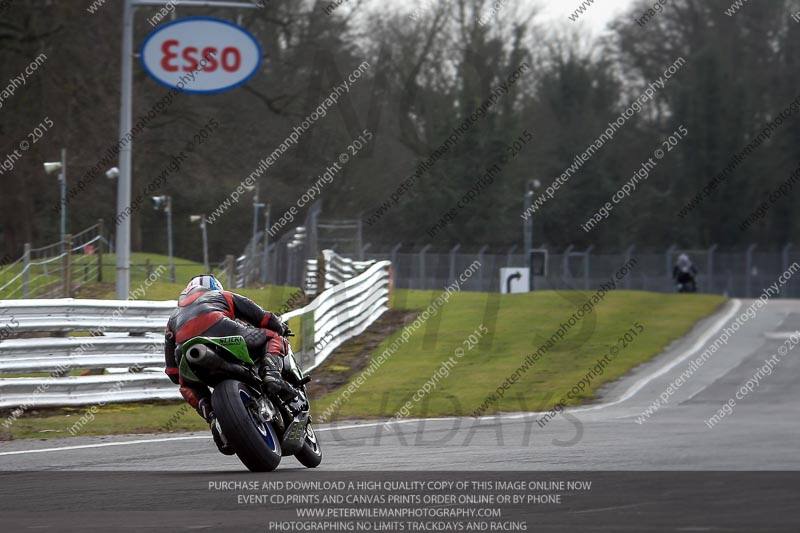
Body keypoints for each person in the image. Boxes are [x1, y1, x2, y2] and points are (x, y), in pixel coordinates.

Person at [163, 274, 295, 454]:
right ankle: (271, 373)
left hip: (184, 351)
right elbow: (263, 318)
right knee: (273, 336)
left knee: (186, 384)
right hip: (223, 330)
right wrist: (279, 326)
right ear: (215, 287)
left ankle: (212, 418)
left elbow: (172, 372)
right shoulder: (221, 295)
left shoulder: (173, 319)